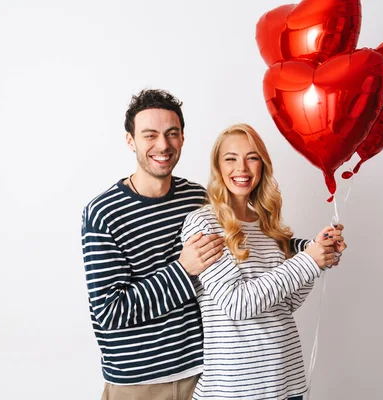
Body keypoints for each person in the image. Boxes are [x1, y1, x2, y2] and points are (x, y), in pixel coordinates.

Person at [82, 90, 337, 400]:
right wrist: (182, 270)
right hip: (141, 382)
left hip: (202, 370)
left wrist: (314, 248)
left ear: (182, 139)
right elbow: (110, 311)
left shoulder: (197, 198)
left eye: (171, 133)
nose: (162, 145)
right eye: (150, 135)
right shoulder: (104, 212)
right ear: (130, 140)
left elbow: (256, 244)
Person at [181, 123, 347, 400]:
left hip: (288, 380)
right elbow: (237, 303)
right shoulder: (203, 222)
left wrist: (321, 255)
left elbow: (286, 303)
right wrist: (307, 261)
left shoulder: (267, 225)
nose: (242, 168)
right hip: (236, 391)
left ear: (263, 166)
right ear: (218, 167)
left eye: (252, 157)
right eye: (230, 158)